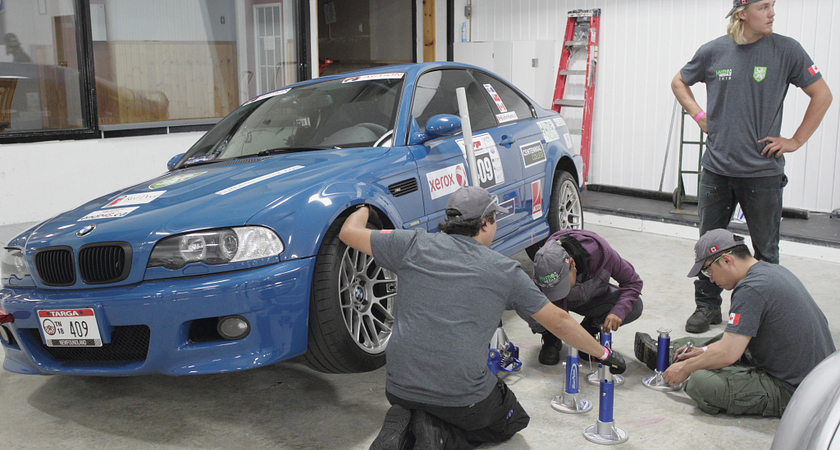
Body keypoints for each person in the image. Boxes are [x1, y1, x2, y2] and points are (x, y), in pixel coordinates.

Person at [339, 186, 626, 450]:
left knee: (435, 403)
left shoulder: (410, 243)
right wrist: (603, 353)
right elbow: (560, 322)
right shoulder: (504, 271)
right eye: (495, 219)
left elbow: (348, 232)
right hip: (461, 399)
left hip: (398, 388)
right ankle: (437, 434)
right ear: (485, 223)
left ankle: (411, 418)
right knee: (512, 420)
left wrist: (366, 207)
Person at [671, 0, 833, 333]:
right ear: (742, 13)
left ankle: (766, 310)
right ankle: (707, 307)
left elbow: (822, 95)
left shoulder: (788, 50)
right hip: (717, 169)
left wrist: (796, 140)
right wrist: (700, 117)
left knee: (766, 250)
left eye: (772, 5)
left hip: (763, 173)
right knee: (710, 244)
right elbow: (679, 82)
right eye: (764, 6)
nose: (772, 13)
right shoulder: (714, 51)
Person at [639, 228, 834, 417]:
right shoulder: (770, 271)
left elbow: (728, 353)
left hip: (795, 390)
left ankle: (671, 359)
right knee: (699, 345)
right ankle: (671, 353)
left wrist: (687, 368)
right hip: (813, 375)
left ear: (726, 260)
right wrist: (705, 353)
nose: (711, 280)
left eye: (708, 271)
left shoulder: (751, 290)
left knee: (701, 383)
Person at [523, 230, 643, 365]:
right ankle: (551, 338)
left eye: (563, 284)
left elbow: (633, 282)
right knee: (533, 309)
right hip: (557, 306)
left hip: (593, 298)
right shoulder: (543, 268)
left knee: (634, 306)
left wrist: (618, 311)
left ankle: (590, 328)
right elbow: (531, 306)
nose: (559, 290)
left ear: (572, 263)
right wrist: (550, 327)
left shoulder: (603, 255)